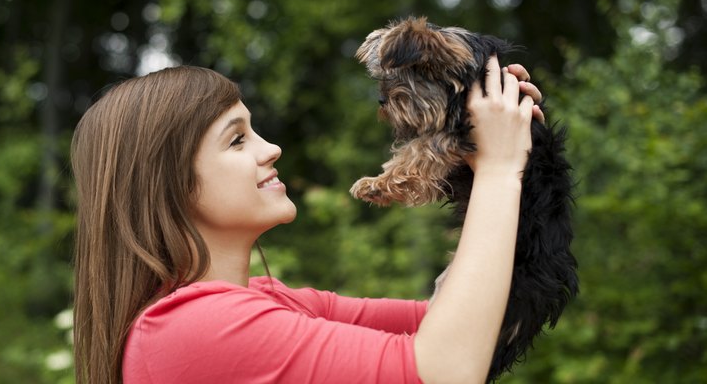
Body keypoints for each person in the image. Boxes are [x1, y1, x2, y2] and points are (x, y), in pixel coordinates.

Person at [71, 55, 544, 384]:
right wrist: (499, 169)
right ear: (167, 182)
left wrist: (503, 154)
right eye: (237, 140)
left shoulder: (264, 300)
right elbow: (442, 370)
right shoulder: (191, 328)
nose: (271, 148)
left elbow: (477, 320)